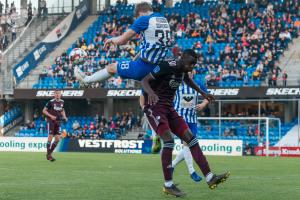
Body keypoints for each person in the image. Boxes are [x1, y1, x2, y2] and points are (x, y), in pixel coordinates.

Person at [141, 49, 229, 197]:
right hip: (155, 108)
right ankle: (168, 185)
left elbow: (187, 79)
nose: (192, 66)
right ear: (182, 58)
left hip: (169, 109)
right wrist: (150, 93)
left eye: (194, 64)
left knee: (191, 139)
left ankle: (210, 178)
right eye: (191, 63)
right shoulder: (167, 65)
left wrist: (203, 93)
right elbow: (144, 80)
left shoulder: (182, 70)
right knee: (169, 141)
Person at [74, 2, 172, 85]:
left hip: (145, 67)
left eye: (137, 17)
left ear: (140, 13)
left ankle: (87, 80)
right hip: (161, 66)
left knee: (112, 67)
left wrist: (111, 40)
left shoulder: (144, 19)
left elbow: (122, 40)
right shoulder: (163, 19)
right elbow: (156, 45)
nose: (136, 20)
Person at [171, 75, 209, 182]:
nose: (188, 73)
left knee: (189, 145)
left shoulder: (198, 83)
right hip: (180, 118)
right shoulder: (176, 83)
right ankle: (192, 171)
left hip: (192, 119)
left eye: (190, 71)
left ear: (194, 72)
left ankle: (172, 165)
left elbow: (207, 96)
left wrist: (203, 104)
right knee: (187, 143)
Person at [42, 90, 67, 162]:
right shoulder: (51, 102)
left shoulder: (62, 102)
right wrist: (51, 116)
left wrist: (64, 116)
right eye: (56, 93)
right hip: (51, 121)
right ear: (54, 94)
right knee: (50, 136)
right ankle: (49, 154)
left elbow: (62, 110)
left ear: (60, 94)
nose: (57, 95)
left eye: (58, 93)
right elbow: (44, 110)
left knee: (57, 139)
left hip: (58, 122)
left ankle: (49, 154)